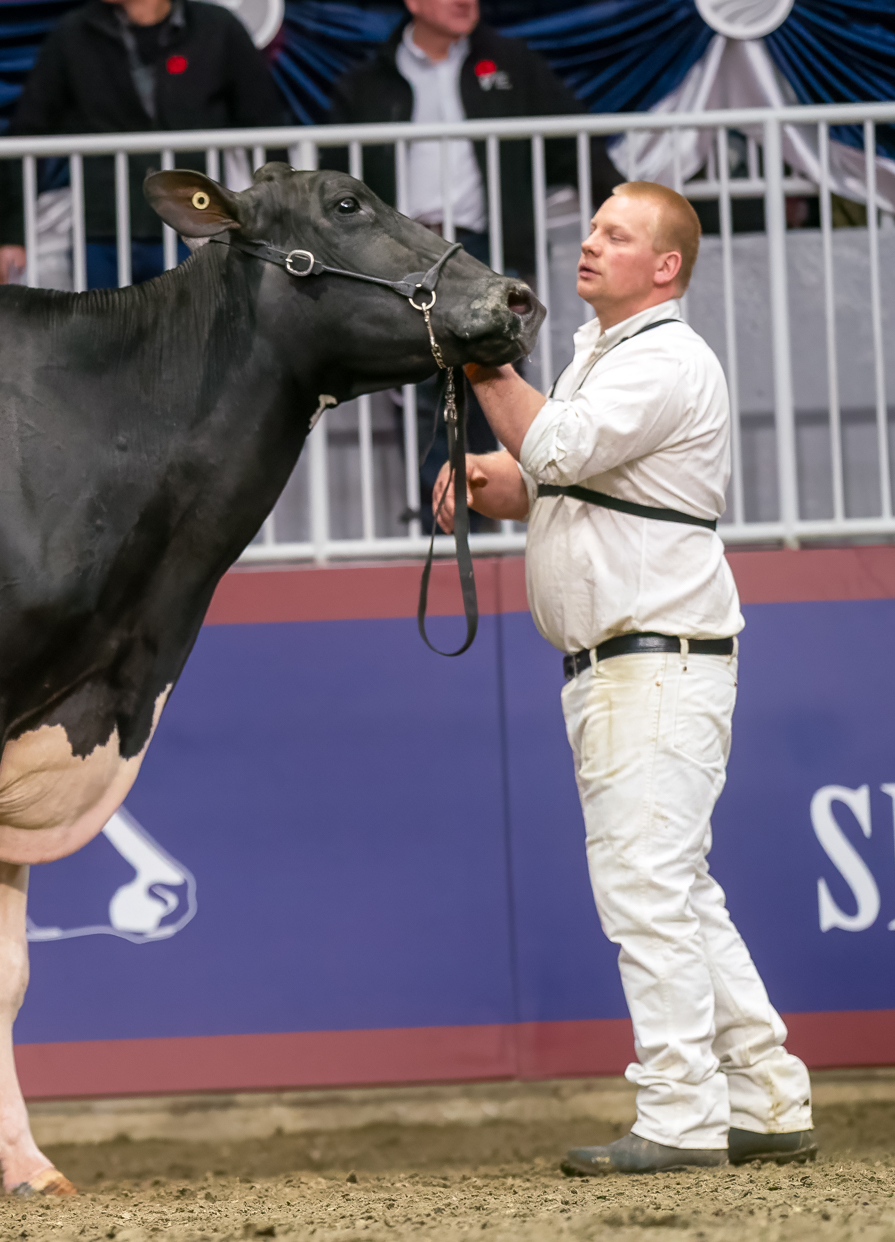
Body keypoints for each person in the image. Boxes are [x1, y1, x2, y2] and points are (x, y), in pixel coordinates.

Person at [435, 182, 816, 1176]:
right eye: (593, 227)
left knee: (646, 888)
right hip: (631, 660)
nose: (591, 242)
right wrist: (492, 479)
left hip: (651, 658)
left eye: (616, 233)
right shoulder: (606, 355)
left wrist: (485, 361)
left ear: (665, 267)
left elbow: (559, 445)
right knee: (675, 887)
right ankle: (766, 1093)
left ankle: (681, 1112)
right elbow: (559, 475)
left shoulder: (664, 357)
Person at [322, 0, 625, 524]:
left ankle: (499, 519)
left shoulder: (511, 62)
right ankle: (443, 522)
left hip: (484, 250)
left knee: (498, 379)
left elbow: (573, 141)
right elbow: (334, 178)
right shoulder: (369, 80)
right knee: (419, 387)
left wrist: (625, 208)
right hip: (400, 257)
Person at [0, 0, 286, 289]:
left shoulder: (217, 27)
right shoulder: (74, 32)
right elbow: (26, 134)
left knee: (195, 320)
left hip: (196, 225)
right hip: (104, 227)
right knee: (104, 321)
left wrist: (279, 222)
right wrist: (12, 236)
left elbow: (266, 127)